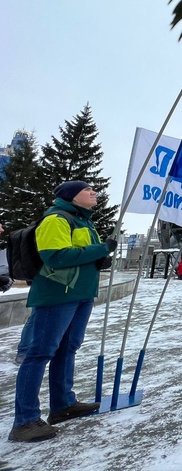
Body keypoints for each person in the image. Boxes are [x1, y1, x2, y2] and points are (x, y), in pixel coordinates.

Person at [9, 181, 116, 442]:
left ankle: (63, 405)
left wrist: (100, 258)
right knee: (39, 353)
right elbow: (55, 256)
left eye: (94, 189)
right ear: (71, 196)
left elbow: (82, 255)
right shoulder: (56, 219)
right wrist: (101, 249)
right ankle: (25, 421)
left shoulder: (84, 222)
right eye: (87, 190)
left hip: (80, 295)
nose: (94, 192)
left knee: (67, 349)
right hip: (58, 295)